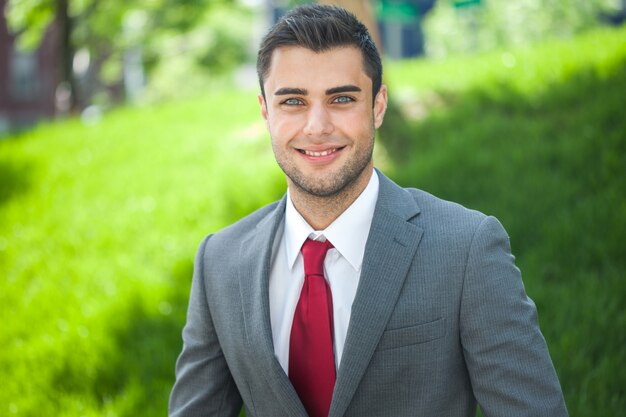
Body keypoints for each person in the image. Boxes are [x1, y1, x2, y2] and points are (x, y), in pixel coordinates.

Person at [169, 4, 568, 417]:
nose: (317, 126)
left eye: (341, 98)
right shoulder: (219, 261)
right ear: (265, 111)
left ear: (378, 106)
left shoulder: (465, 249)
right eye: (293, 101)